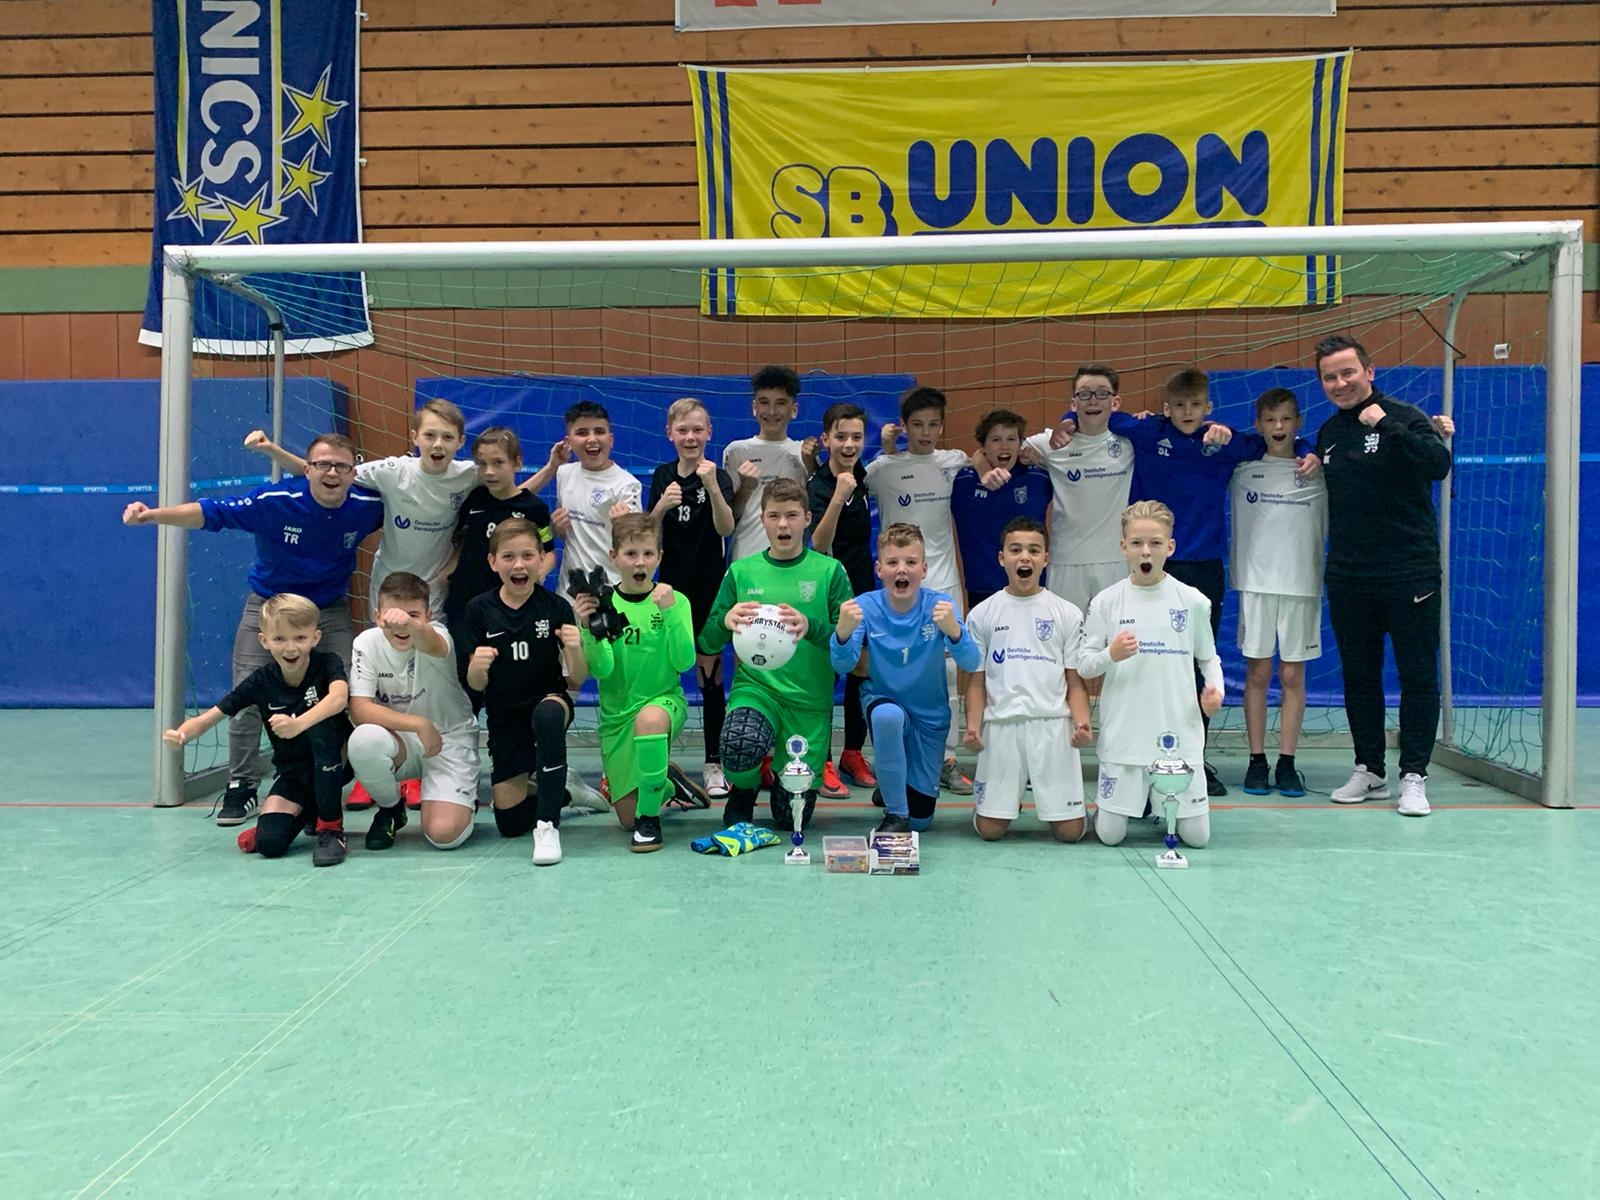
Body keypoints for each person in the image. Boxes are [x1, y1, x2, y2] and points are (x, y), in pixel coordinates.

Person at [1058, 367, 1317, 796]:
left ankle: (1193, 757)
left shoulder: (1224, 441)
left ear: (1208, 407)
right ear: (1166, 408)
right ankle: (1139, 757)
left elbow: (1277, 442)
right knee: (1143, 661)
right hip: (1152, 564)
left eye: (1196, 405)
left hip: (1203, 568)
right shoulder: (1146, 432)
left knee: (1195, 663)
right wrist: (1068, 421)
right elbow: (1098, 415)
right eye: (1179, 405)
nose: (1187, 412)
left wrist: (1306, 448)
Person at [123, 431, 383, 825]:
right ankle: (241, 784)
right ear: (307, 469)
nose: (332, 473)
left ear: (353, 472)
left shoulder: (367, 505)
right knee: (246, 696)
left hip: (327, 610)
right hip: (269, 607)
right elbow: (212, 512)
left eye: (341, 466)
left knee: (348, 692)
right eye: (323, 465)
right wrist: (153, 515)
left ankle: (338, 774)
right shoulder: (275, 501)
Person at [1311, 333, 1453, 817]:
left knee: (1417, 675)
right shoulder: (1329, 433)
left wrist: (1387, 425)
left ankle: (1414, 775)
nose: (1340, 383)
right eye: (1330, 377)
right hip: (1350, 576)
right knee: (1359, 676)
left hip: (1410, 572)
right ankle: (1369, 768)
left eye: (1348, 372)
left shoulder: (1404, 417)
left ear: (1369, 372)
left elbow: (1438, 464)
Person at [700, 478, 853, 830]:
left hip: (808, 700)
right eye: (774, 516)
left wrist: (812, 626)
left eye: (792, 515)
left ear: (807, 519)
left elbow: (849, 643)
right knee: (739, 742)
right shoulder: (741, 572)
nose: (783, 525)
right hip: (757, 690)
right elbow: (707, 642)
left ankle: (784, 791)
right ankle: (744, 791)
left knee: (790, 819)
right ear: (762, 520)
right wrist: (724, 621)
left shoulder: (830, 572)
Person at [161, 593, 353, 866]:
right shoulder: (261, 681)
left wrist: (298, 724)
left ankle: (331, 829)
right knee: (269, 843)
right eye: (279, 639)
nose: (290, 648)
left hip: (335, 763)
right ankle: (304, 814)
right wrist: (183, 734)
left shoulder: (327, 663)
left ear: (315, 638)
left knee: (321, 726)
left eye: (300, 638)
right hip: (294, 773)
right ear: (264, 641)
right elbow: (210, 717)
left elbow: (339, 698)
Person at [1077, 501, 1223, 850]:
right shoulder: (1106, 602)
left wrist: (1215, 692)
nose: (1146, 551)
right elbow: (1084, 665)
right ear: (1123, 547)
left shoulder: (1193, 601)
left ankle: (1161, 806)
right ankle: (1128, 805)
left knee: (1197, 839)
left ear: (1170, 547)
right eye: (1137, 543)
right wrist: (1111, 655)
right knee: (1110, 836)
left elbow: (1208, 659)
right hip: (1124, 738)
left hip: (1179, 736)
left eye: (1155, 543)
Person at [248, 399, 478, 618]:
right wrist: (270, 449)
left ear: (461, 442)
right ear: (414, 437)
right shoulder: (391, 471)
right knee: (387, 641)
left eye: (448, 437)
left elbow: (500, 482)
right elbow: (322, 472)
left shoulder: (469, 475)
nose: (438, 444)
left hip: (435, 584)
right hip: (389, 581)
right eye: (430, 435)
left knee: (432, 642)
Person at [830, 523, 980, 834]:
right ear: (879, 569)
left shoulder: (940, 606)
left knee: (922, 821)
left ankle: (891, 787)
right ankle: (895, 813)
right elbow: (842, 664)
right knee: (887, 716)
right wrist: (842, 635)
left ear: (924, 569)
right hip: (883, 701)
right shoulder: (864, 607)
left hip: (930, 717)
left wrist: (954, 632)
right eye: (893, 562)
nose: (902, 569)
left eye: (911, 562)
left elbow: (971, 661)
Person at [865, 386, 975, 796]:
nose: (925, 432)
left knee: (946, 674)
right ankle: (896, 761)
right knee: (895, 672)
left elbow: (988, 459)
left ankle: (946, 759)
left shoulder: (954, 461)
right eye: (917, 425)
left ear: (942, 426)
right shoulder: (882, 469)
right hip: (897, 582)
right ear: (903, 426)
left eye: (933, 425)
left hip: (941, 582)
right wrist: (887, 449)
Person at [462, 519, 585, 866]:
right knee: (511, 822)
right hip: (505, 716)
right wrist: (478, 666)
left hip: (549, 701)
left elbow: (577, 677)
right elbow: (476, 685)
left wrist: (575, 649)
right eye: (509, 557)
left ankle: (548, 826)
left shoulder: (556, 607)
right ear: (493, 562)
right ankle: (563, 791)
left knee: (547, 715)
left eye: (528, 555)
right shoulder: (478, 610)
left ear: (542, 559)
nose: (519, 564)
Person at [573, 514, 699, 854]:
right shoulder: (603, 604)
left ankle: (650, 822)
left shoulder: (676, 601)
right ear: (614, 557)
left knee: (650, 720)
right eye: (631, 554)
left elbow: (684, 662)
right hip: (617, 717)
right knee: (625, 818)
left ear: (659, 556)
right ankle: (666, 784)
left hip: (664, 704)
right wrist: (588, 629)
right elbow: (602, 670)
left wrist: (670, 614)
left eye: (647, 553)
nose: (640, 562)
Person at [962, 518, 1093, 843]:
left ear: (1046, 558)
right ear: (1001, 557)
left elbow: (1074, 681)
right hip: (1001, 726)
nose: (1025, 557)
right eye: (1016, 550)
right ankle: (1001, 803)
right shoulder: (982, 614)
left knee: (1070, 834)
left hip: (1053, 726)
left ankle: (1071, 808)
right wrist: (974, 727)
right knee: (990, 831)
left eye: (1034, 550)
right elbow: (976, 682)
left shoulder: (1067, 613)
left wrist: (1082, 723)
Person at [1230, 388, 1328, 797]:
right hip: (1256, 585)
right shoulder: (1241, 469)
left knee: (1292, 675)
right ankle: (1257, 760)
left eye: (1286, 419)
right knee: (1257, 673)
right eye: (1270, 420)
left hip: (1301, 586)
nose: (1278, 427)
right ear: (1258, 425)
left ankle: (1287, 762)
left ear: (1298, 422)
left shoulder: (1317, 468)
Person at [347, 571, 481, 852]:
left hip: (448, 739)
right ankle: (391, 809)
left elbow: (430, 641)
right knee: (363, 740)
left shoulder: (439, 637)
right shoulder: (366, 642)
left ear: (429, 616)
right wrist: (419, 724)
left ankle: (461, 798)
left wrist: (409, 623)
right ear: (377, 616)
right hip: (403, 741)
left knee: (445, 836)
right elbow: (360, 709)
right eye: (392, 616)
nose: (402, 624)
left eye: (413, 615)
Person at [647, 398, 737, 800]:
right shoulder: (662, 475)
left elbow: (726, 527)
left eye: (697, 430)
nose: (690, 437)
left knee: (710, 674)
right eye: (682, 430)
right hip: (670, 591)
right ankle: (657, 760)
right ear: (670, 434)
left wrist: (713, 486)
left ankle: (714, 762)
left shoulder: (718, 475)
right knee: (663, 674)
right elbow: (649, 534)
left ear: (709, 433)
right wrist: (661, 506)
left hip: (709, 588)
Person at [442, 427, 555, 703]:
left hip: (508, 609)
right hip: (465, 603)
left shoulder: (533, 508)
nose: (489, 471)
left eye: (497, 463)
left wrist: (536, 574)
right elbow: (461, 542)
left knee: (509, 679)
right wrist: (448, 571)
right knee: (465, 681)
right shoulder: (474, 500)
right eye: (482, 464)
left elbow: (549, 552)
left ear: (517, 462)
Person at [1024, 365, 1134, 614]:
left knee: (1115, 636)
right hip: (1066, 561)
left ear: (1115, 402)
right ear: (1073, 403)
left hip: (1116, 560)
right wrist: (983, 463)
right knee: (1067, 635)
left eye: (1102, 393)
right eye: (1084, 394)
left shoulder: (1130, 443)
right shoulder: (1051, 443)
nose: (1093, 400)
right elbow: (1002, 445)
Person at [808, 400, 875, 798]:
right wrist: (838, 495)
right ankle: (823, 760)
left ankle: (853, 753)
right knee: (826, 675)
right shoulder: (818, 484)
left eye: (856, 437)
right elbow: (818, 543)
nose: (849, 444)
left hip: (863, 588)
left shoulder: (861, 474)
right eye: (841, 437)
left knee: (861, 671)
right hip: (828, 592)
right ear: (826, 439)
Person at [953, 409, 1054, 613]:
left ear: (1020, 445)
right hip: (983, 589)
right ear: (983, 447)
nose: (1004, 446)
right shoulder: (963, 482)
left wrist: (1039, 459)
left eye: (1011, 439)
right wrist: (981, 467)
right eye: (996, 440)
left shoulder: (1039, 478)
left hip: (1031, 586)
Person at [550, 400, 643, 602]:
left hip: (612, 593)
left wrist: (622, 526)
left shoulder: (627, 485)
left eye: (599, 431)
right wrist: (558, 529)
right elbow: (567, 533)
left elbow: (637, 545)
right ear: (569, 441)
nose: (592, 439)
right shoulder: (563, 473)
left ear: (611, 439)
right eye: (582, 433)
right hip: (570, 595)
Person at [722, 365, 816, 564]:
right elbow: (729, 521)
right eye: (764, 402)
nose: (772, 411)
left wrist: (811, 463)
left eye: (780, 403)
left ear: (794, 410)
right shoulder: (736, 451)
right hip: (746, 559)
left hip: (792, 562)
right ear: (754, 407)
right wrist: (746, 488)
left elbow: (815, 512)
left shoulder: (804, 453)